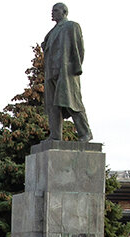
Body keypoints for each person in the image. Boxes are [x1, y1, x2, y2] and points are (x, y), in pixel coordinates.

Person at [43, 3, 93, 141]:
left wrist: (74, 67)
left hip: (66, 72)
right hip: (51, 72)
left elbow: (79, 49)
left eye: (56, 10)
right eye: (52, 10)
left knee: (72, 102)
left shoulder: (71, 26)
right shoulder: (52, 32)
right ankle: (55, 135)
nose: (52, 13)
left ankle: (85, 133)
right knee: (53, 106)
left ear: (64, 12)